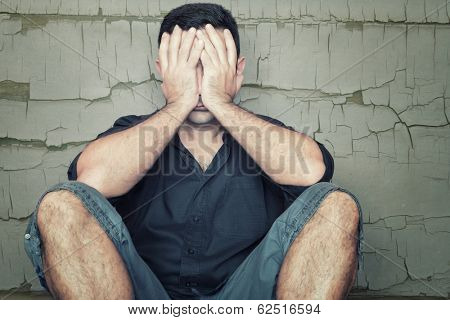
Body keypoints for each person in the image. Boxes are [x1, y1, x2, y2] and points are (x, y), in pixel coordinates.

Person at [24, 3, 363, 300]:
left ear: (237, 71)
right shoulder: (132, 131)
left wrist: (219, 100)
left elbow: (313, 173)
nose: (200, 82)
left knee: (338, 206)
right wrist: (180, 101)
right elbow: (87, 184)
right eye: (189, 68)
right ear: (164, 71)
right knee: (60, 206)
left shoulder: (263, 132)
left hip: (249, 300)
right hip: (142, 299)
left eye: (211, 66)